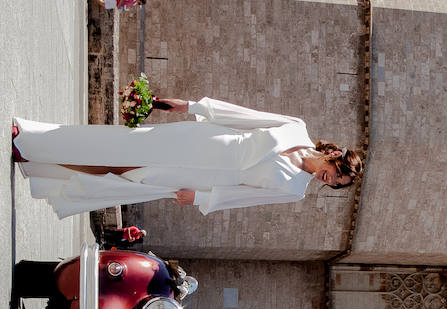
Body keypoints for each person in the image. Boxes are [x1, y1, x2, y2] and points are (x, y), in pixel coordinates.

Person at [13, 95, 362, 218]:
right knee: (116, 143)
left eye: (333, 184)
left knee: (124, 175)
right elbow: (244, 116)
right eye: (333, 173)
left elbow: (246, 197)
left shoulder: (294, 190)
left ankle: (36, 164)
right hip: (198, 140)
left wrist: (203, 198)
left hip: (199, 178)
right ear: (332, 155)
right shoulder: (295, 127)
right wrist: (194, 106)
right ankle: (32, 139)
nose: (326, 180)